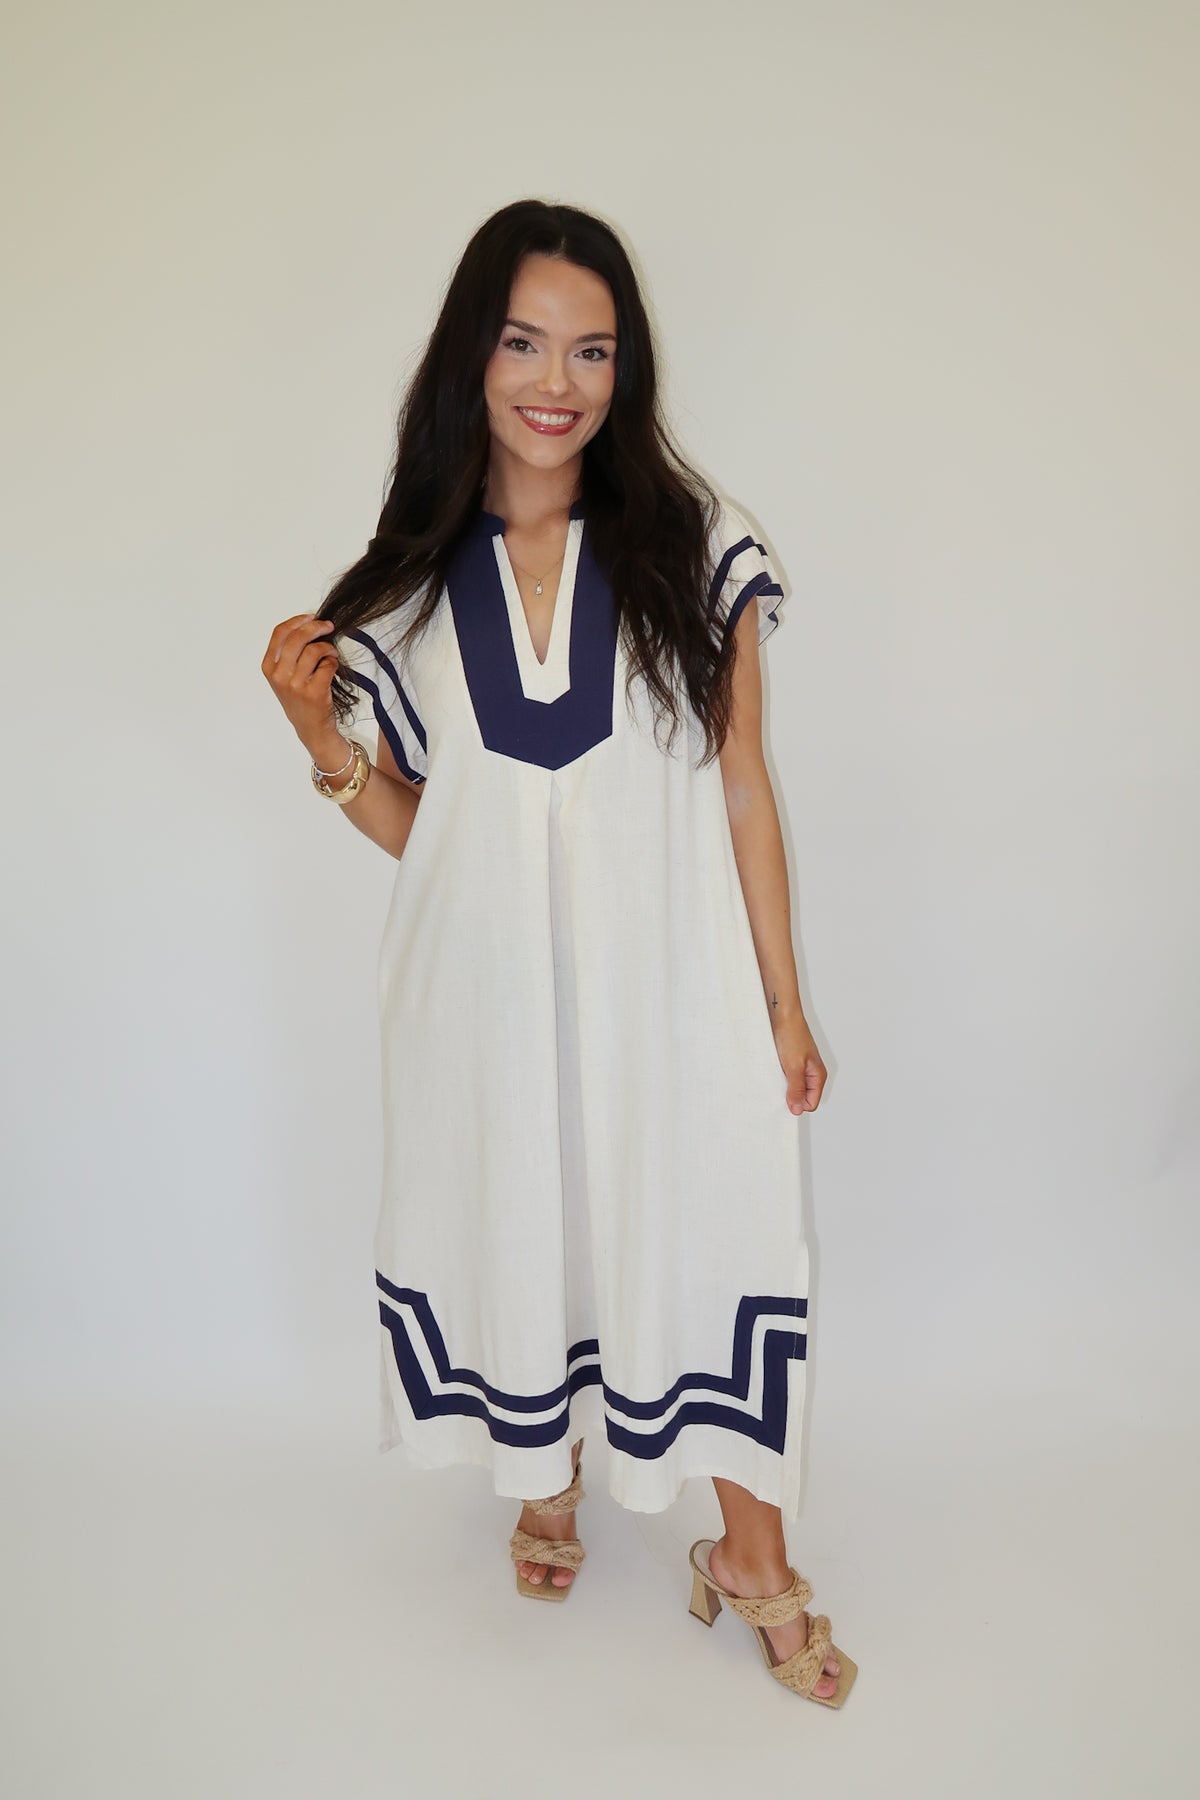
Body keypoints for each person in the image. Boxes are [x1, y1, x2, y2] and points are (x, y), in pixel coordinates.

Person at [261, 200, 856, 1706]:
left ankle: (752, 1556)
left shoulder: (694, 546)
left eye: (593, 351)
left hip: (675, 996)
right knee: (532, 1225)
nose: (557, 381)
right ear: (474, 352)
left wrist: (782, 1003)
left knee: (707, 1234)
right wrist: (318, 733)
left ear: (623, 369)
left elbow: (742, 782)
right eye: (525, 342)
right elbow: (434, 835)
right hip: (490, 1003)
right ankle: (546, 1472)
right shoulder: (410, 588)